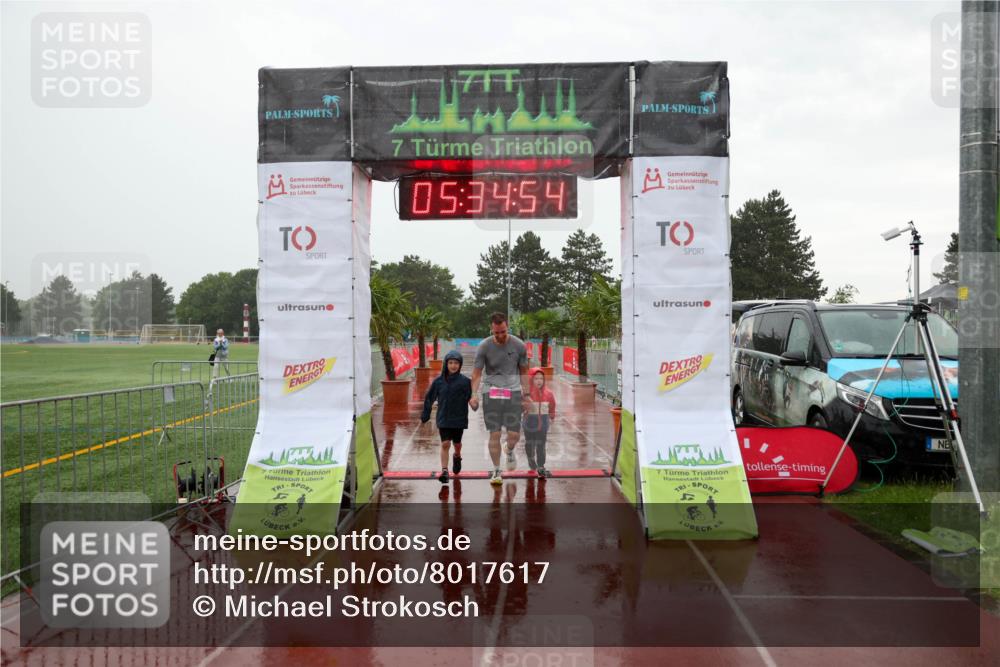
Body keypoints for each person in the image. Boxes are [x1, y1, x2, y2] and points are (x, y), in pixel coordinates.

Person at [469, 313, 530, 485]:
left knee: (514, 435)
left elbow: (524, 372)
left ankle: (509, 449)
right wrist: (473, 394)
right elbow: (476, 373)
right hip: (491, 393)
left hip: (513, 391)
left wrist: (527, 396)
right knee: (494, 433)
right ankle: (496, 470)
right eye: (496, 333)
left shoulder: (519, 345)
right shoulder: (484, 346)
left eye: (503, 331)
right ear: (491, 330)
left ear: (507, 327)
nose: (500, 336)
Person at [421, 350, 472, 483]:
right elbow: (429, 398)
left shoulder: (466, 382)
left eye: (456, 363)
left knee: (457, 443)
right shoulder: (438, 381)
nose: (453, 365)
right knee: (445, 443)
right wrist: (425, 414)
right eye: (450, 363)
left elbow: (471, 398)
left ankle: (457, 455)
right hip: (443, 417)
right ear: (446, 364)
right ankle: (444, 471)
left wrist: (474, 403)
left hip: (459, 418)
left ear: (460, 365)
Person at [523, 367, 556, 478]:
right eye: (536, 378)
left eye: (541, 378)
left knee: (541, 445)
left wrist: (552, 415)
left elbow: (552, 405)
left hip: (543, 423)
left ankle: (541, 465)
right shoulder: (526, 394)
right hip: (529, 423)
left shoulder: (548, 393)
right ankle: (531, 458)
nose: (539, 381)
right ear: (531, 379)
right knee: (529, 443)